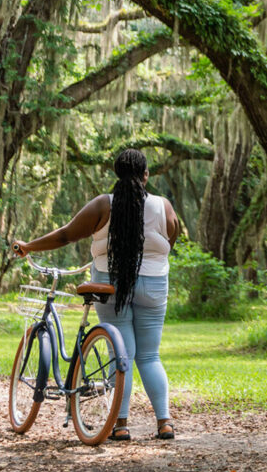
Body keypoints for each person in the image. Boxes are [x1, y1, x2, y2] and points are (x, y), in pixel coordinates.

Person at [12, 148, 180, 441]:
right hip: (154, 286)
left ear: (116, 173)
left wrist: (29, 246)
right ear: (146, 175)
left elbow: (66, 234)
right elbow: (171, 238)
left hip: (109, 285)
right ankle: (164, 423)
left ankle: (121, 424)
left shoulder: (104, 205)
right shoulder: (163, 206)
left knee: (121, 356)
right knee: (150, 356)